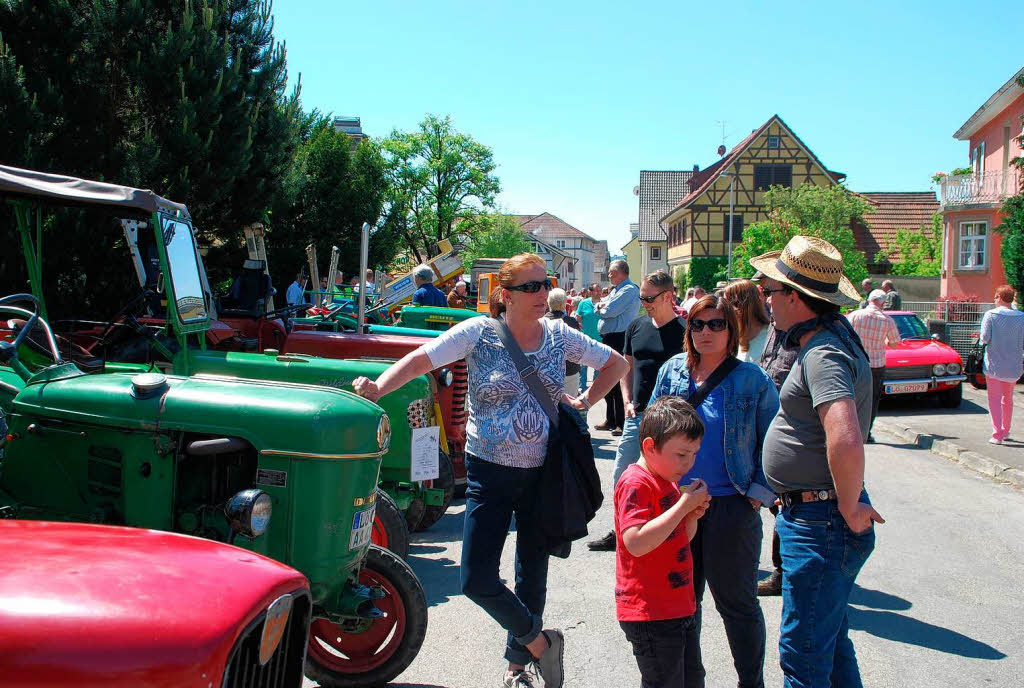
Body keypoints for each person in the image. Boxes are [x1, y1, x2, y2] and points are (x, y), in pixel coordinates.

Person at [352, 253, 627, 688]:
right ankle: (540, 643)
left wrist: (586, 401)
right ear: (506, 294)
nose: (542, 294)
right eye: (531, 287)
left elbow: (618, 363)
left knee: (531, 574)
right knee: (476, 579)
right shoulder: (479, 333)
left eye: (545, 284)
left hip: (545, 473)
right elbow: (424, 358)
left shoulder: (560, 335)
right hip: (489, 474)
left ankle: (519, 667)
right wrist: (379, 387)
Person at [751, 236, 884, 688]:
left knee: (804, 658)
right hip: (819, 517)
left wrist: (848, 506)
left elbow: (845, 437)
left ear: (795, 297)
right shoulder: (825, 342)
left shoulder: (823, 352)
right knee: (829, 648)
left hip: (820, 521)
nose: (766, 300)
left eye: (771, 291)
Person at [647, 293, 779, 688]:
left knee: (737, 604)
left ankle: (750, 683)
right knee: (685, 605)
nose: (706, 332)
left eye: (716, 324)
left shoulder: (750, 379)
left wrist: (758, 493)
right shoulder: (672, 371)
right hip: (676, 506)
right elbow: (650, 432)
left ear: (731, 330)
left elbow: (773, 440)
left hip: (730, 507)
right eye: (698, 324)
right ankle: (692, 682)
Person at [615, 396, 711, 688]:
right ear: (649, 447)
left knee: (692, 679)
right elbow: (636, 542)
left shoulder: (667, 477)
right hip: (650, 612)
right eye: (682, 454)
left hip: (679, 606)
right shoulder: (636, 483)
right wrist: (682, 507)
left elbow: (679, 539)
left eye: (694, 454)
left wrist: (691, 517)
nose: (689, 462)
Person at [589, 270, 686, 552]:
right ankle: (620, 530)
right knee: (623, 474)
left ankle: (663, 531)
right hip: (638, 415)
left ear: (668, 296)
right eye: (642, 297)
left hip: (671, 421)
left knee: (668, 478)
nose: (644, 302)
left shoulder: (685, 331)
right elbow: (625, 366)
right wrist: (628, 399)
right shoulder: (636, 327)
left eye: (649, 297)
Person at [753, 272, 800, 598]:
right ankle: (785, 571)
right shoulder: (775, 324)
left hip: (789, 432)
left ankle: (787, 573)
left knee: (787, 507)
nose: (764, 294)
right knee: (781, 507)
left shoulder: (803, 334)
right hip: (771, 429)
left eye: (767, 288)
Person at [846, 289, 900, 443]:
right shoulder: (887, 320)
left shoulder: (855, 315)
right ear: (882, 303)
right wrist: (885, 342)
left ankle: (850, 430)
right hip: (876, 365)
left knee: (852, 396)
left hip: (855, 362)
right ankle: (865, 433)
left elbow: (845, 334)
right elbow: (895, 344)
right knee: (871, 400)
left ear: (869, 300)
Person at [595, 260, 641, 436]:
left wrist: (601, 308)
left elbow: (609, 311)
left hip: (619, 338)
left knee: (618, 378)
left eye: (611, 272)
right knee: (607, 379)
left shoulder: (629, 290)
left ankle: (621, 421)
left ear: (622, 272)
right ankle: (611, 418)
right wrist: (601, 307)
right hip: (609, 338)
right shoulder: (616, 290)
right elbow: (599, 305)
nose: (609, 275)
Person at [979, 285, 1024, 444]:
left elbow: (984, 338)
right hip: (1014, 365)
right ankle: (1006, 430)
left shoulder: (990, 315)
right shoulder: (1021, 317)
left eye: (995, 296)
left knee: (994, 398)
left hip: (994, 364)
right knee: (1008, 399)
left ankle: (997, 434)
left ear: (999, 297)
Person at [545, 288, 583, 396]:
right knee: (569, 406)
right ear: (564, 304)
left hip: (548, 371)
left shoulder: (540, 322)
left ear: (548, 302)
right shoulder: (571, 322)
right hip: (569, 369)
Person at [723, 279, 771, 363]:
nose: (722, 312)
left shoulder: (769, 339)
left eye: (726, 306)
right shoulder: (730, 338)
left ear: (739, 307)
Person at [574, 285, 602, 393]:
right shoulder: (583, 303)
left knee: (598, 366)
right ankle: (582, 388)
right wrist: (578, 321)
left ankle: (595, 388)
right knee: (584, 365)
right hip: (585, 339)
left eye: (600, 290)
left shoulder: (604, 303)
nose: (599, 293)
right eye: (597, 291)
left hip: (600, 339)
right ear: (591, 292)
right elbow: (578, 317)